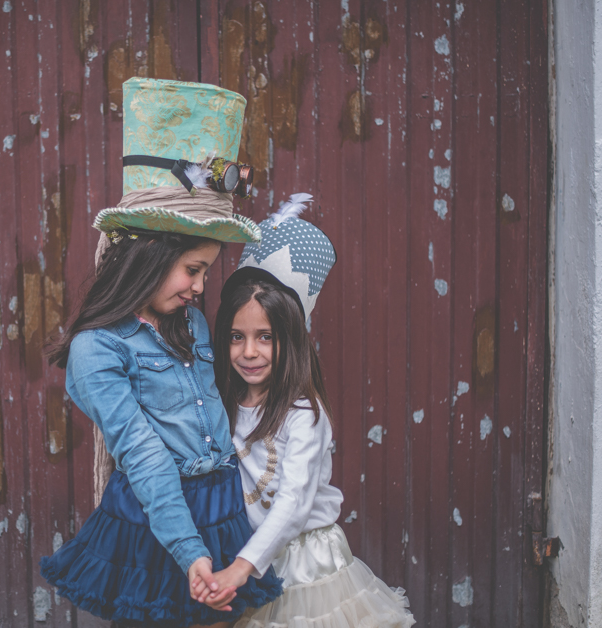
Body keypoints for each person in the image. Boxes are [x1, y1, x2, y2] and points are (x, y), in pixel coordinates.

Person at [39, 77, 283, 627]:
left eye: (206, 272)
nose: (200, 286)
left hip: (220, 508)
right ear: (148, 254)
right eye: (193, 269)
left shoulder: (187, 322)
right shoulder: (97, 349)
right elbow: (144, 454)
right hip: (158, 521)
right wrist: (190, 552)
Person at [194, 196, 415, 627]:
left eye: (266, 337)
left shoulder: (303, 415)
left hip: (305, 564)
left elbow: (294, 501)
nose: (249, 351)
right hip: (250, 554)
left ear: (291, 339)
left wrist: (241, 568)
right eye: (237, 336)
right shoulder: (224, 403)